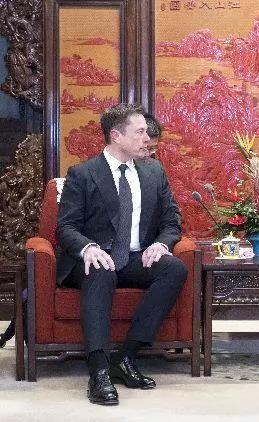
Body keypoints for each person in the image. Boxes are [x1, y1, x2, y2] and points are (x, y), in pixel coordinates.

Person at [56, 103, 187, 405]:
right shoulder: (83, 174)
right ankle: (99, 371)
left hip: (134, 257)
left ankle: (126, 357)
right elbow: (65, 227)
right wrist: (88, 247)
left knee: (174, 269)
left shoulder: (154, 171)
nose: (147, 138)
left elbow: (172, 221)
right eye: (139, 132)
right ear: (116, 135)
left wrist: (161, 244)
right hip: (93, 259)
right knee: (101, 270)